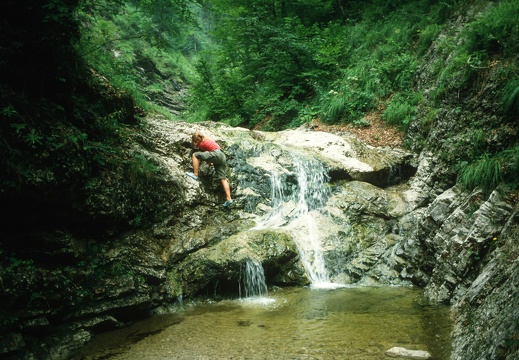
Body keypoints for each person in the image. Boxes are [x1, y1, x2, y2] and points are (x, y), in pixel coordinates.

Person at [186, 131, 233, 207]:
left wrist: (194, 142)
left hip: (216, 154)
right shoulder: (208, 140)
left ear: (200, 138)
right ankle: (229, 198)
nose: (196, 142)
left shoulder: (201, 144)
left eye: (197, 140)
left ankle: (195, 174)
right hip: (222, 156)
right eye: (195, 140)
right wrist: (210, 162)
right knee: (223, 179)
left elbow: (204, 152)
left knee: (195, 155)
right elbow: (209, 153)